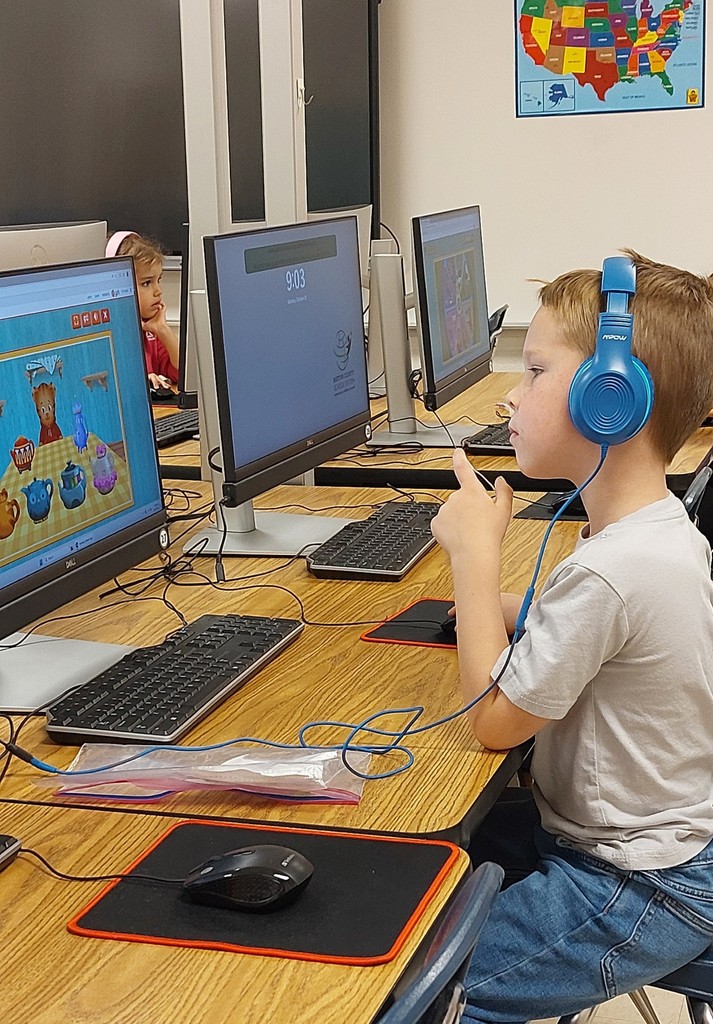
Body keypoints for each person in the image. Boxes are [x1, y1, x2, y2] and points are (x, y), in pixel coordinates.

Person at [431, 250, 713, 1022]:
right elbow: (611, 633)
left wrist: (474, 562)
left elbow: (491, 724)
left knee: (409, 991)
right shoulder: (654, 533)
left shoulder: (612, 571)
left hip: (634, 886)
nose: (510, 399)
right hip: (633, 847)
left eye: (532, 372)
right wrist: (525, 608)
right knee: (402, 870)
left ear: (609, 401)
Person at [105, 230, 180, 389]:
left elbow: (181, 373)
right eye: (147, 283)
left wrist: (163, 329)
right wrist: (142, 380)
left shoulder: (150, 331)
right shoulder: (110, 335)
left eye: (158, 280)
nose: (158, 291)